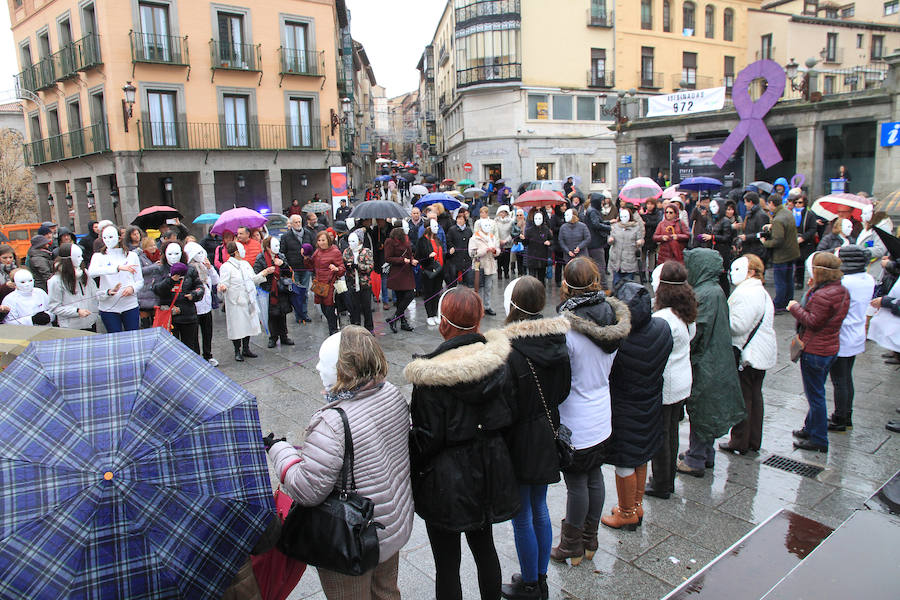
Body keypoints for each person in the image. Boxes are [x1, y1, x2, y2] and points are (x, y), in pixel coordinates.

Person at [266, 327, 413, 599]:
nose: (319, 366)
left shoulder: (333, 422)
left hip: (352, 536)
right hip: (389, 525)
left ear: (346, 368)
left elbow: (308, 489)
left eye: (326, 361)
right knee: (387, 592)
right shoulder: (391, 393)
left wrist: (280, 450)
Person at [404, 287, 519, 600]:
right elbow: (509, 413)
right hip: (489, 465)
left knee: (447, 563)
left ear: (444, 322)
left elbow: (427, 438)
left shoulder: (431, 374)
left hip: (447, 479)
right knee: (485, 549)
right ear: (479, 318)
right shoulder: (497, 360)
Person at [551, 257, 631, 566]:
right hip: (601, 409)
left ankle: (571, 544)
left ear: (567, 285)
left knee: (576, 482)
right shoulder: (613, 316)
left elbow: (561, 373)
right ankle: (590, 540)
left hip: (575, 412)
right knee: (594, 475)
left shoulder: (567, 327)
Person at [500, 276, 571, 600]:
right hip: (548, 425)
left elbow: (506, 403)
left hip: (522, 435)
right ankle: (539, 577)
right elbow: (564, 388)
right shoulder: (558, 337)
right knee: (539, 506)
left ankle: (529, 583)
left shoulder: (510, 348)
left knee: (522, 513)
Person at [602, 281, 673, 532]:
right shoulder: (663, 329)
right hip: (651, 401)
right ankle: (635, 504)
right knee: (641, 455)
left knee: (625, 461)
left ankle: (627, 512)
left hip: (625, 406)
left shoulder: (620, 341)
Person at [677, 248, 745, 477]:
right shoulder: (714, 290)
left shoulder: (705, 294)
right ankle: (705, 453)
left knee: (701, 408)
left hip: (707, 360)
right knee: (706, 406)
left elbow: (698, 329)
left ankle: (696, 458)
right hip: (716, 357)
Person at [788, 251, 850, 452]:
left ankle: (819, 439)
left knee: (815, 396)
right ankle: (811, 427)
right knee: (816, 391)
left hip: (816, 349)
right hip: (829, 346)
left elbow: (813, 322)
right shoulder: (839, 290)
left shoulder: (824, 295)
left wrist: (795, 308)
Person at [646, 262, 697, 499]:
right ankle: (668, 479)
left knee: (662, 435)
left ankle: (661, 483)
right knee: (672, 431)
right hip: (682, 379)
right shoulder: (685, 311)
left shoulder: (664, 317)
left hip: (667, 382)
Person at [719, 255, 776, 455]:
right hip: (759, 352)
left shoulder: (748, 293)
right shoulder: (757, 290)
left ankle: (740, 440)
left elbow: (738, 325)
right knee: (753, 395)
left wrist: (721, 316)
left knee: (745, 397)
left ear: (751, 272)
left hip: (750, 354)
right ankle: (752, 439)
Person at [826, 245, 875, 432]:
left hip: (842, 334)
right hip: (857, 333)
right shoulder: (868, 279)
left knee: (839, 379)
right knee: (847, 377)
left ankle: (839, 417)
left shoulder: (845, 282)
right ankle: (847, 414)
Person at [218, 241, 273, 361]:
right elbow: (223, 283)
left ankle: (246, 348)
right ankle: (237, 350)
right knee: (237, 326)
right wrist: (223, 287)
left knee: (248, 324)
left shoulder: (245, 264)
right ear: (236, 252)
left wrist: (264, 273)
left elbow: (252, 279)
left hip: (248, 299)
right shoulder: (226, 267)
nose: (244, 252)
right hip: (236, 301)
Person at [88, 225, 144, 333]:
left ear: (119, 238)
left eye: (111, 237)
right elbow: (92, 272)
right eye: (105, 238)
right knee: (115, 338)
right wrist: (117, 268)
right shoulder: (98, 256)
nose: (108, 240)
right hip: (108, 306)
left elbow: (139, 280)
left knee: (133, 337)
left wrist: (132, 288)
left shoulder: (131, 256)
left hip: (129, 304)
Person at [761, 194, 801, 312]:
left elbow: (778, 240)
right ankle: (788, 302)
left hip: (781, 255)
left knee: (780, 282)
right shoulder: (787, 213)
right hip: (791, 252)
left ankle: (778, 304)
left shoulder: (778, 219)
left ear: (772, 203)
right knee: (789, 280)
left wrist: (765, 243)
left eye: (769, 204)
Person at [254, 236, 295, 349]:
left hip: (281, 289)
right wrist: (266, 272)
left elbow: (288, 272)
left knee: (282, 313)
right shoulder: (261, 258)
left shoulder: (281, 256)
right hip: (268, 290)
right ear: (267, 247)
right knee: (271, 315)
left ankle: (284, 336)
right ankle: (273, 337)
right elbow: (256, 274)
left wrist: (282, 264)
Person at [47, 243, 98, 331]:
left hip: (90, 322)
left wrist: (107, 293)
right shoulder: (55, 281)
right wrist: (77, 311)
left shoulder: (84, 273)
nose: (81, 259)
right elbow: (54, 307)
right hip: (70, 327)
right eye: (78, 256)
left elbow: (94, 293)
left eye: (81, 256)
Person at [303, 230, 346, 336]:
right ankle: (333, 328)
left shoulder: (335, 252)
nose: (321, 242)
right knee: (323, 308)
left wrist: (336, 268)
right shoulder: (317, 252)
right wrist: (306, 258)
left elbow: (342, 269)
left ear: (328, 240)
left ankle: (334, 331)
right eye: (319, 240)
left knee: (330, 308)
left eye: (323, 240)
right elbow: (311, 267)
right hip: (320, 285)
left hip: (330, 285)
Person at [184, 241, 219, 366]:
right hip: (195, 306)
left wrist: (210, 268)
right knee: (193, 334)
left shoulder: (205, 265)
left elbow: (215, 281)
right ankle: (196, 357)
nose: (200, 255)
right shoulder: (188, 269)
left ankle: (208, 355)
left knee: (207, 331)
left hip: (207, 305)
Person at [282, 214, 314, 325]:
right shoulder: (286, 237)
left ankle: (304, 313)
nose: (298, 224)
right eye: (295, 222)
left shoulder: (308, 234)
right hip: (293, 268)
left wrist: (309, 257)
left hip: (306, 267)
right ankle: (298, 315)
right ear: (291, 224)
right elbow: (283, 252)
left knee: (304, 292)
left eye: (299, 221)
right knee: (296, 293)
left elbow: (313, 248)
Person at [384, 225, 417, 332]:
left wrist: (412, 260)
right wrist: (402, 260)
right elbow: (388, 258)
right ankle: (402, 321)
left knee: (409, 295)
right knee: (401, 299)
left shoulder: (406, 240)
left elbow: (409, 254)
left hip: (407, 273)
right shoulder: (390, 241)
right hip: (397, 274)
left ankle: (394, 318)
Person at [342, 231, 374, 332]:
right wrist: (347, 267)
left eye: (353, 241)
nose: (351, 243)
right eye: (349, 241)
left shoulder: (366, 251)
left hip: (364, 284)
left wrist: (358, 267)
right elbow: (343, 263)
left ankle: (369, 329)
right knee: (354, 308)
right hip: (352, 283)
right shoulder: (347, 251)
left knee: (366, 307)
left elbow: (370, 267)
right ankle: (355, 328)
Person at [607, 204, 644, 287]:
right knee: (616, 283)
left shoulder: (636, 227)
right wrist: (610, 240)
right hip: (616, 259)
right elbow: (610, 239)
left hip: (629, 258)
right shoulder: (615, 226)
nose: (623, 219)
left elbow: (640, 239)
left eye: (625, 216)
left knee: (628, 285)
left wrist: (639, 242)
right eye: (622, 216)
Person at [417, 219, 445, 326]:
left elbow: (442, 252)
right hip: (428, 271)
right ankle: (429, 315)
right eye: (435, 226)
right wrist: (428, 256)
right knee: (429, 293)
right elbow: (419, 255)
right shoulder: (422, 240)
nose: (437, 228)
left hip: (439, 270)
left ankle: (435, 314)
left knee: (437, 293)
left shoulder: (438, 239)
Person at [470, 218, 500, 315]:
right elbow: (472, 253)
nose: (488, 228)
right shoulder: (475, 238)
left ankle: (487, 306)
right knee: (479, 287)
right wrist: (484, 250)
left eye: (489, 226)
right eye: (485, 226)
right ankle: (478, 307)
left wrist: (495, 251)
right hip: (480, 266)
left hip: (490, 265)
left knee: (488, 287)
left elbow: (498, 249)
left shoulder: (492, 237)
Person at [583, 195, 612, 288]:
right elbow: (596, 224)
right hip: (595, 244)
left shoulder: (592, 210)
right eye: (602, 201)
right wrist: (609, 227)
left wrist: (608, 222)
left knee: (597, 265)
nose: (603, 203)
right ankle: (603, 286)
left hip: (594, 243)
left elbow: (598, 222)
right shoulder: (592, 211)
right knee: (600, 266)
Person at [711, 199, 738, 296]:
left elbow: (727, 237)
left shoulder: (725, 221)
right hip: (717, 250)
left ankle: (726, 296)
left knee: (723, 276)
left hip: (723, 251)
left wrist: (713, 237)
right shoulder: (716, 220)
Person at [792, 191, 818, 289]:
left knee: (803, 263)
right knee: (795, 262)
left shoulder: (809, 214)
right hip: (793, 242)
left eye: (800, 202)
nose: (797, 205)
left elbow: (812, 229)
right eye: (796, 202)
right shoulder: (792, 213)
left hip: (805, 243)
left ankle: (801, 281)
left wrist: (803, 238)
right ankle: (795, 281)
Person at [523, 210, 552, 288]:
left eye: (539, 218)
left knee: (541, 277)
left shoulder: (546, 229)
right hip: (532, 257)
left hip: (542, 256)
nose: (538, 220)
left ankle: (541, 290)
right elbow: (526, 243)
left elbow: (551, 239)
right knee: (532, 277)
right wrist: (523, 239)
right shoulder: (529, 230)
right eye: (536, 218)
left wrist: (549, 242)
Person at [739, 192, 769, 260]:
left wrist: (747, 237)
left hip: (757, 251)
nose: (745, 204)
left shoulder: (761, 215)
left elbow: (762, 234)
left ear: (751, 202)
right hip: (749, 249)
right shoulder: (750, 214)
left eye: (746, 202)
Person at [640, 198, 662, 283]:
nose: (649, 206)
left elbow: (656, 223)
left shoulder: (657, 213)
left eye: (651, 204)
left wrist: (646, 222)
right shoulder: (642, 213)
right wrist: (642, 215)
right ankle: (642, 274)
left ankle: (651, 274)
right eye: (648, 204)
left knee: (652, 257)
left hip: (653, 237)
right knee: (643, 256)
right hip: (644, 237)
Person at [495, 205, 514, 280]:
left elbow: (512, 232)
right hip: (498, 243)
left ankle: (506, 272)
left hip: (507, 244)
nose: (502, 214)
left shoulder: (511, 221)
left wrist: (506, 240)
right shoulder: (495, 221)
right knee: (499, 259)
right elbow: (494, 232)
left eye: (504, 212)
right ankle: (499, 273)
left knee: (507, 259)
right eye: (501, 212)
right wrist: (498, 240)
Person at [511, 209, 528, 278]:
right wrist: (519, 234)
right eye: (517, 215)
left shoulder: (527, 223)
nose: (519, 216)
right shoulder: (514, 223)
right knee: (519, 259)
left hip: (525, 243)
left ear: (523, 215)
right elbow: (512, 233)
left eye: (520, 215)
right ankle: (520, 273)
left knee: (525, 259)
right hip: (518, 243)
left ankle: (525, 272)